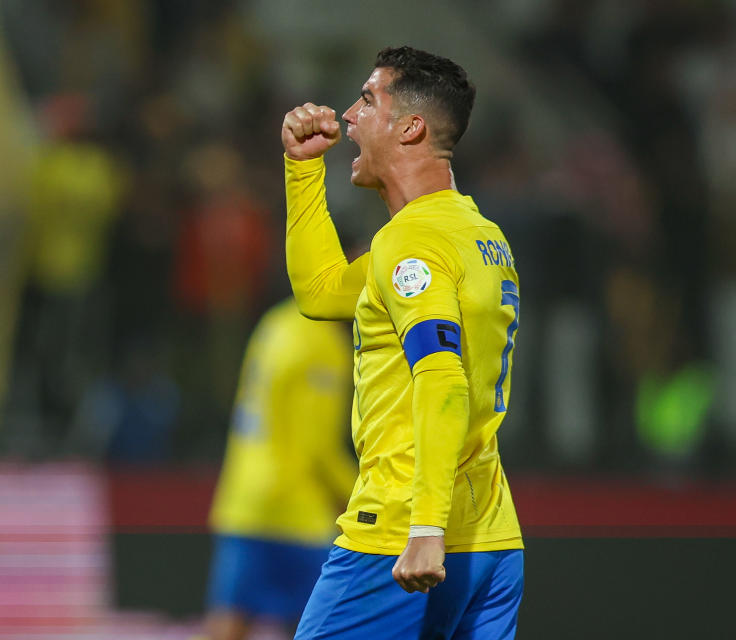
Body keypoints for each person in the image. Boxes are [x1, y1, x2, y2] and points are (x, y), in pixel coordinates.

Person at [281, 47, 525, 639]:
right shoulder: (478, 237)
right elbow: (320, 292)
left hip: (402, 532)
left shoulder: (410, 244)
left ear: (409, 127)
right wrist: (302, 169)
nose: (349, 115)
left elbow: (441, 380)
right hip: (491, 537)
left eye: (367, 100)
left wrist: (423, 528)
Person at [205, 297, 357, 640]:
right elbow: (317, 449)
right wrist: (364, 496)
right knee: (321, 626)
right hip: (295, 511)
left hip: (244, 500)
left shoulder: (276, 322)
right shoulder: (323, 343)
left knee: (228, 624)